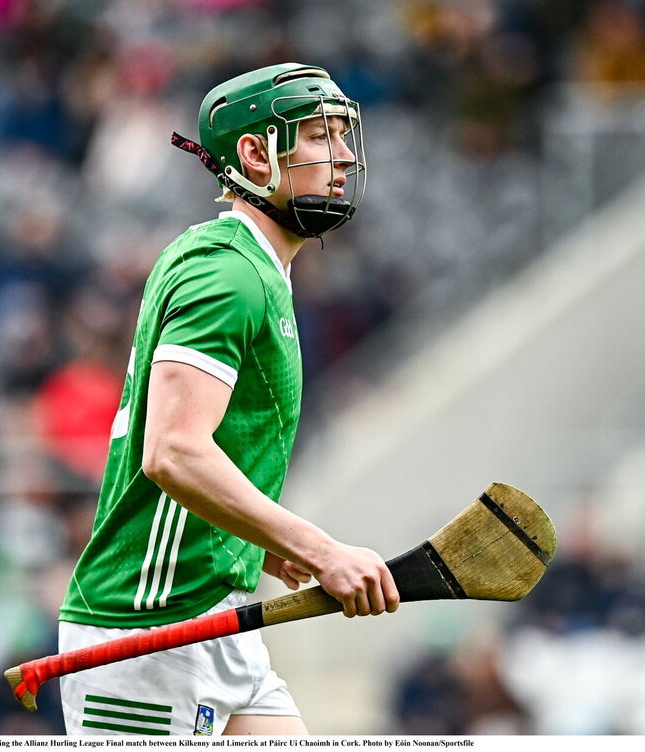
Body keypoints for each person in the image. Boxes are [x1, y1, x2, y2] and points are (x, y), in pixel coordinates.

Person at [56, 63, 398, 736]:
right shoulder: (229, 274)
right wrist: (323, 549)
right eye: (322, 137)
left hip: (214, 615)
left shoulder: (246, 265)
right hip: (149, 627)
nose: (346, 156)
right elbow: (173, 451)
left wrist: (259, 541)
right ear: (253, 153)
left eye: (344, 136)